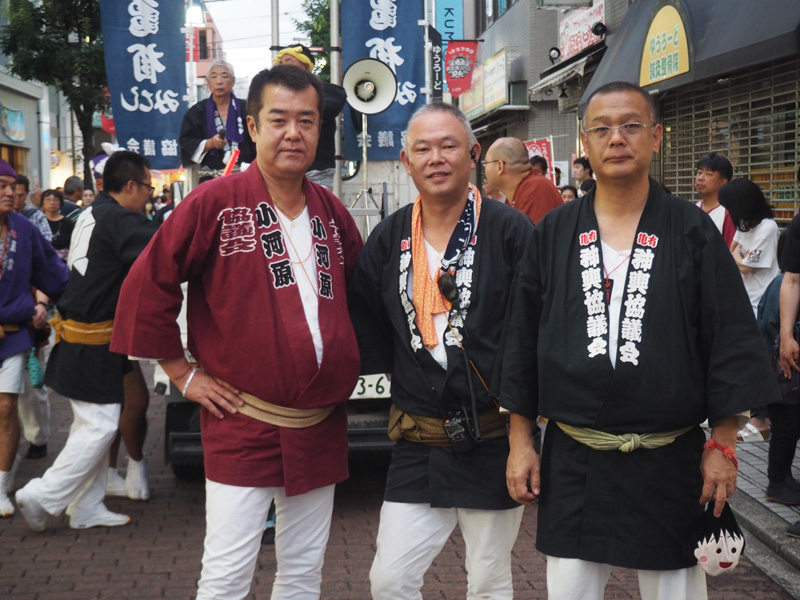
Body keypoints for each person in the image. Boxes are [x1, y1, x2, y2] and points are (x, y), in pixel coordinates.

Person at [500, 81, 778, 600]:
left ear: (656, 136)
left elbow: (729, 340)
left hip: (668, 459)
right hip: (576, 456)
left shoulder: (691, 230)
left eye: (631, 125)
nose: (617, 138)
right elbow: (521, 341)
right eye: (601, 128)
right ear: (585, 143)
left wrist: (723, 442)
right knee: (570, 590)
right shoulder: (554, 232)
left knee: (675, 590)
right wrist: (520, 442)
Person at [110, 65, 363, 600]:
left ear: (319, 129)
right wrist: (181, 372)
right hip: (242, 422)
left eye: (306, 121)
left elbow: (363, 295)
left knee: (303, 573)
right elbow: (149, 282)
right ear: (252, 126)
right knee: (226, 577)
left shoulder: (331, 211)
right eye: (279, 120)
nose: (293, 133)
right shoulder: (214, 202)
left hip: (319, 424)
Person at [349, 103, 533, 600]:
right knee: (389, 580)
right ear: (406, 161)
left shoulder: (511, 231)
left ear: (473, 154)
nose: (436, 158)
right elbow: (367, 318)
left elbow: (531, 334)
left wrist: (524, 438)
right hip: (419, 437)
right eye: (423, 149)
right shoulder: (388, 238)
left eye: (448, 145)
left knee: (489, 580)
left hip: (493, 437)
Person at [15, 151, 159, 532]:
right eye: (148, 188)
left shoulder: (93, 211)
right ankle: (43, 494)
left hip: (85, 333)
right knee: (100, 425)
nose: (149, 195)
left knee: (89, 425)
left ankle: (86, 505)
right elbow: (166, 248)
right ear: (131, 185)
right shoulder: (119, 219)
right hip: (89, 337)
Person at [0, 160, 68, 517]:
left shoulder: (23, 229)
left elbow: (52, 270)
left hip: (14, 334)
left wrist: (49, 302)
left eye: (12, 186)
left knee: (6, 408)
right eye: (2, 186)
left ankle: (2, 485)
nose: (10, 193)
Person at [719, 177, 778, 443]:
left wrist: (738, 255)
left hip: (763, 303)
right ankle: (755, 415)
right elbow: (732, 250)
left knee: (760, 361)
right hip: (746, 301)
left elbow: (744, 266)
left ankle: (762, 420)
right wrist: (738, 255)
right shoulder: (746, 225)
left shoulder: (767, 227)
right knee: (747, 360)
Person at [274, 45, 347, 191]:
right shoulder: (276, 95)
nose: (283, 67)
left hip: (317, 171)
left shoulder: (328, 92)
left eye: (288, 62)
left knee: (315, 205)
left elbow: (335, 103)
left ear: (306, 66)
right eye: (281, 63)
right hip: (285, 169)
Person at [179, 59, 256, 178]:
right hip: (211, 178)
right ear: (207, 82)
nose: (219, 82)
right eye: (214, 77)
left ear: (233, 81)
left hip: (245, 176)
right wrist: (210, 143)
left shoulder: (247, 109)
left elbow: (261, 139)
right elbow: (186, 142)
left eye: (224, 76)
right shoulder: (197, 111)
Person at [484, 137, 562, 225]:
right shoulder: (519, 191)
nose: (484, 168)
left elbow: (528, 232)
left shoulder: (535, 189)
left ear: (500, 166)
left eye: (486, 162)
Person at [695, 153, 736, 248]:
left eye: (709, 174)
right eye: (699, 173)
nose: (700, 178)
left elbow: (730, 251)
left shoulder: (727, 213)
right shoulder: (694, 208)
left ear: (723, 182)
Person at [14, 175, 51, 241]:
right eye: (14, 195)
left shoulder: (37, 215)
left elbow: (46, 239)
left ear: (27, 193)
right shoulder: (4, 215)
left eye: (21, 195)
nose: (17, 199)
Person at [41, 189, 75, 262]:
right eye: (48, 200)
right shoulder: (39, 221)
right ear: (42, 203)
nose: (52, 203)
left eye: (56, 200)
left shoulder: (67, 223)